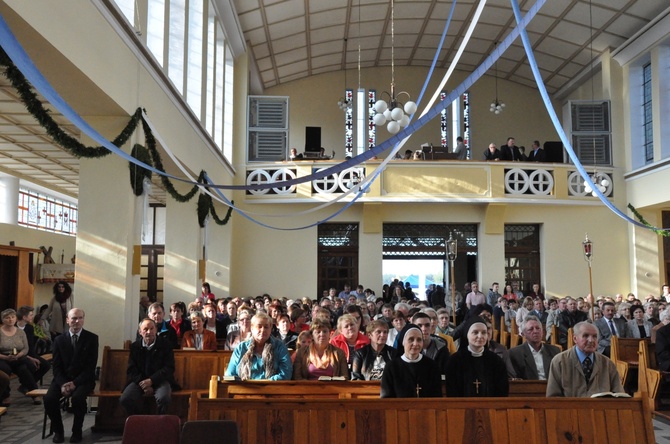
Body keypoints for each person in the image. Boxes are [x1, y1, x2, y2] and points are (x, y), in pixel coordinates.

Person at [44, 308, 98, 444]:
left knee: (78, 398)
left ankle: (77, 431)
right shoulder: (58, 340)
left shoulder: (91, 338)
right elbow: (56, 367)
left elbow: (90, 367)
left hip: (83, 380)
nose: (77, 321)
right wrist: (63, 383)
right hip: (62, 379)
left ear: (83, 320)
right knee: (49, 398)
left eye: (80, 318)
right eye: (73, 318)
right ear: (67, 320)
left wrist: (74, 383)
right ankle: (58, 430)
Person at [546, 321, 624, 397]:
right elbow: (553, 398)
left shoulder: (607, 364)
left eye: (595, 336)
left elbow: (619, 395)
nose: (591, 340)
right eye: (586, 336)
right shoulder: (560, 362)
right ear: (575, 339)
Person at [120, 318, 176, 415]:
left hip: (160, 380)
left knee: (164, 398)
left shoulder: (165, 345)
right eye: (145, 329)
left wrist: (151, 381)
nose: (149, 332)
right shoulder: (135, 346)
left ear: (156, 330)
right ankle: (139, 422)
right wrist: (144, 384)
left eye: (152, 328)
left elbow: (169, 368)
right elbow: (131, 370)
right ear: (140, 332)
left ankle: (159, 424)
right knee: (126, 398)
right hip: (140, 381)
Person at [444, 316, 509, 397]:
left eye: (484, 332)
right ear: (467, 334)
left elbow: (502, 391)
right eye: (475, 332)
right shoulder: (455, 361)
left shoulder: (496, 361)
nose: (480, 336)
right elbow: (452, 391)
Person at [225, 312, 292, 380]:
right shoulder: (241, 348)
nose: (263, 330)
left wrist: (266, 383)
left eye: (266, 327)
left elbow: (286, 373)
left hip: (272, 388)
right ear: (252, 328)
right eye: (259, 326)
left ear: (271, 328)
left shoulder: (279, 347)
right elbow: (230, 374)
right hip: (245, 388)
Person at [380, 325, 442, 398]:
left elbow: (437, 399)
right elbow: (386, 399)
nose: (415, 344)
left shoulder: (432, 366)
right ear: (403, 342)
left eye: (419, 340)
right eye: (411, 339)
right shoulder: (391, 367)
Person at [0, 308, 46, 404]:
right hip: (3, 358)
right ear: (3, 320)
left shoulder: (20, 332)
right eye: (7, 318)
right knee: (5, 369)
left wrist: (19, 355)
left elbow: (25, 348)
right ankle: (5, 395)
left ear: (16, 318)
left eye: (13, 317)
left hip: (18, 357)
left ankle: (34, 393)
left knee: (23, 369)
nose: (11, 320)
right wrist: (6, 357)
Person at [508, 315, 560, 380]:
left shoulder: (555, 351)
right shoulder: (515, 354)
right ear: (523, 334)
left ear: (542, 332)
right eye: (531, 329)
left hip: (551, 388)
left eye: (538, 328)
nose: (535, 331)